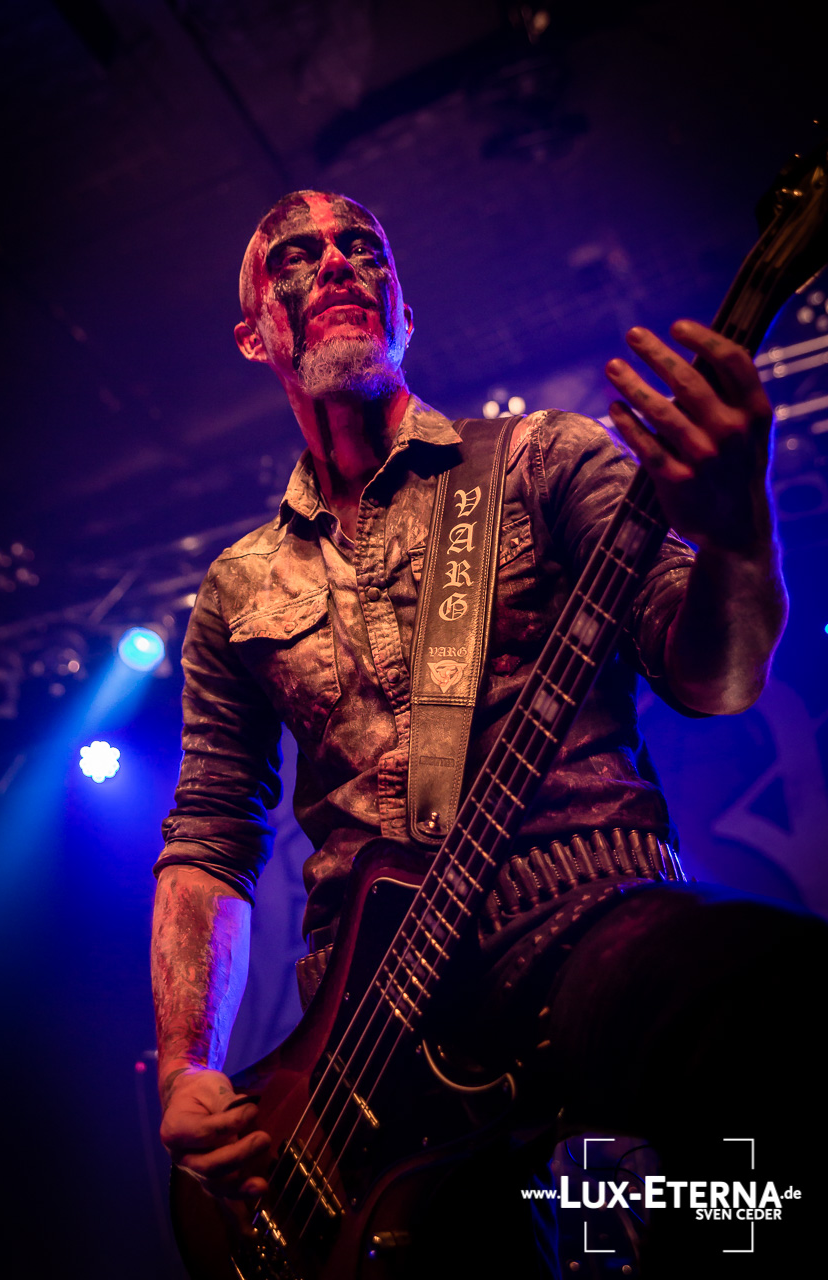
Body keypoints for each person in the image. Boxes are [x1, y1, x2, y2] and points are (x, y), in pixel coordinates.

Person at [151, 191, 824, 1277]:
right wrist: (189, 1066)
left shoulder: (541, 460)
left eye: (363, 248)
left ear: (403, 313)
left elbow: (715, 678)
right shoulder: (239, 586)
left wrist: (741, 536)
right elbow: (208, 836)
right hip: (365, 1037)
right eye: (298, 255)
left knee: (765, 1017)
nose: (337, 263)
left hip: (585, 913)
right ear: (254, 335)